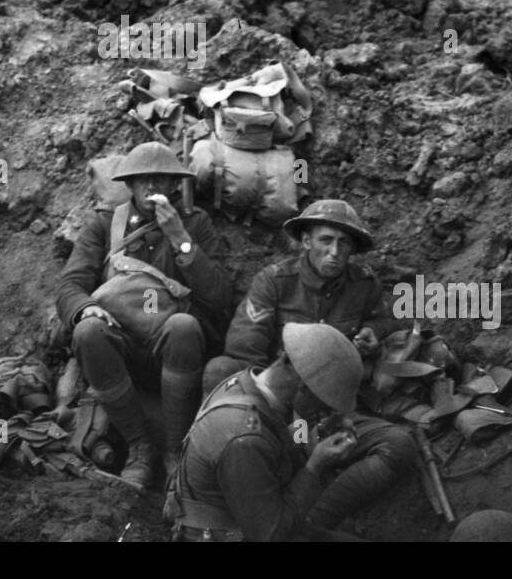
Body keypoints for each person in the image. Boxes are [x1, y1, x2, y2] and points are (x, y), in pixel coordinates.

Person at [199, 199, 416, 531]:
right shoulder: (274, 281)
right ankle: (228, 492)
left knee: (400, 445)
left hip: (333, 408)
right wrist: (286, 420)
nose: (334, 251)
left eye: (344, 244)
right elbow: (245, 357)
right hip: (279, 407)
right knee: (220, 369)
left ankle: (314, 520)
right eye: (326, 240)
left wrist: (375, 334)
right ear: (306, 241)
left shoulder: (363, 284)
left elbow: (388, 320)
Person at [55, 141, 231, 488]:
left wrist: (180, 238)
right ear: (130, 186)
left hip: (177, 352)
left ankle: (175, 453)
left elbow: (220, 296)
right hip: (120, 351)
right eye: (142, 180)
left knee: (183, 325)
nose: (152, 188)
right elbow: (69, 286)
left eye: (160, 180)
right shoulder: (104, 225)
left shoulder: (195, 224)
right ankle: (139, 449)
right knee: (87, 331)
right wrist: (87, 308)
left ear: (173, 186)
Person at [165, 322, 365, 541]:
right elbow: (271, 535)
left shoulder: (245, 384)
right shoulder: (246, 438)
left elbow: (278, 455)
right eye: (325, 403)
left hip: (240, 520)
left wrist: (317, 436)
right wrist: (316, 467)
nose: (326, 411)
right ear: (303, 388)